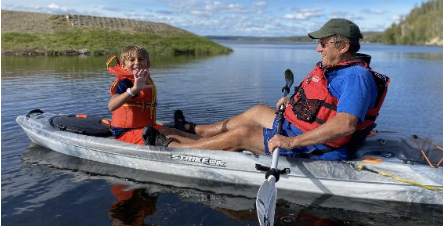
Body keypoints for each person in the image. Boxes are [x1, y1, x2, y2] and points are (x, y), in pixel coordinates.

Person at [151, 19, 390, 161]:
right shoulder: (335, 68)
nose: (318, 49)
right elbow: (320, 104)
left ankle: (179, 147)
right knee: (257, 111)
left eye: (323, 43)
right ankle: (198, 131)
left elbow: (345, 125)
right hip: (296, 128)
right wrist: (292, 103)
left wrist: (292, 142)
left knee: (244, 133)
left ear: (344, 46)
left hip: (320, 147)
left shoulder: (356, 77)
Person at [107, 45, 179, 146]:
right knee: (177, 140)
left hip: (145, 128)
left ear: (148, 64)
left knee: (179, 133)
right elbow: (111, 106)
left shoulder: (145, 81)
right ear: (123, 65)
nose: (137, 62)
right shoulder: (124, 83)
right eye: (132, 60)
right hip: (125, 133)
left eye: (141, 59)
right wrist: (134, 89)